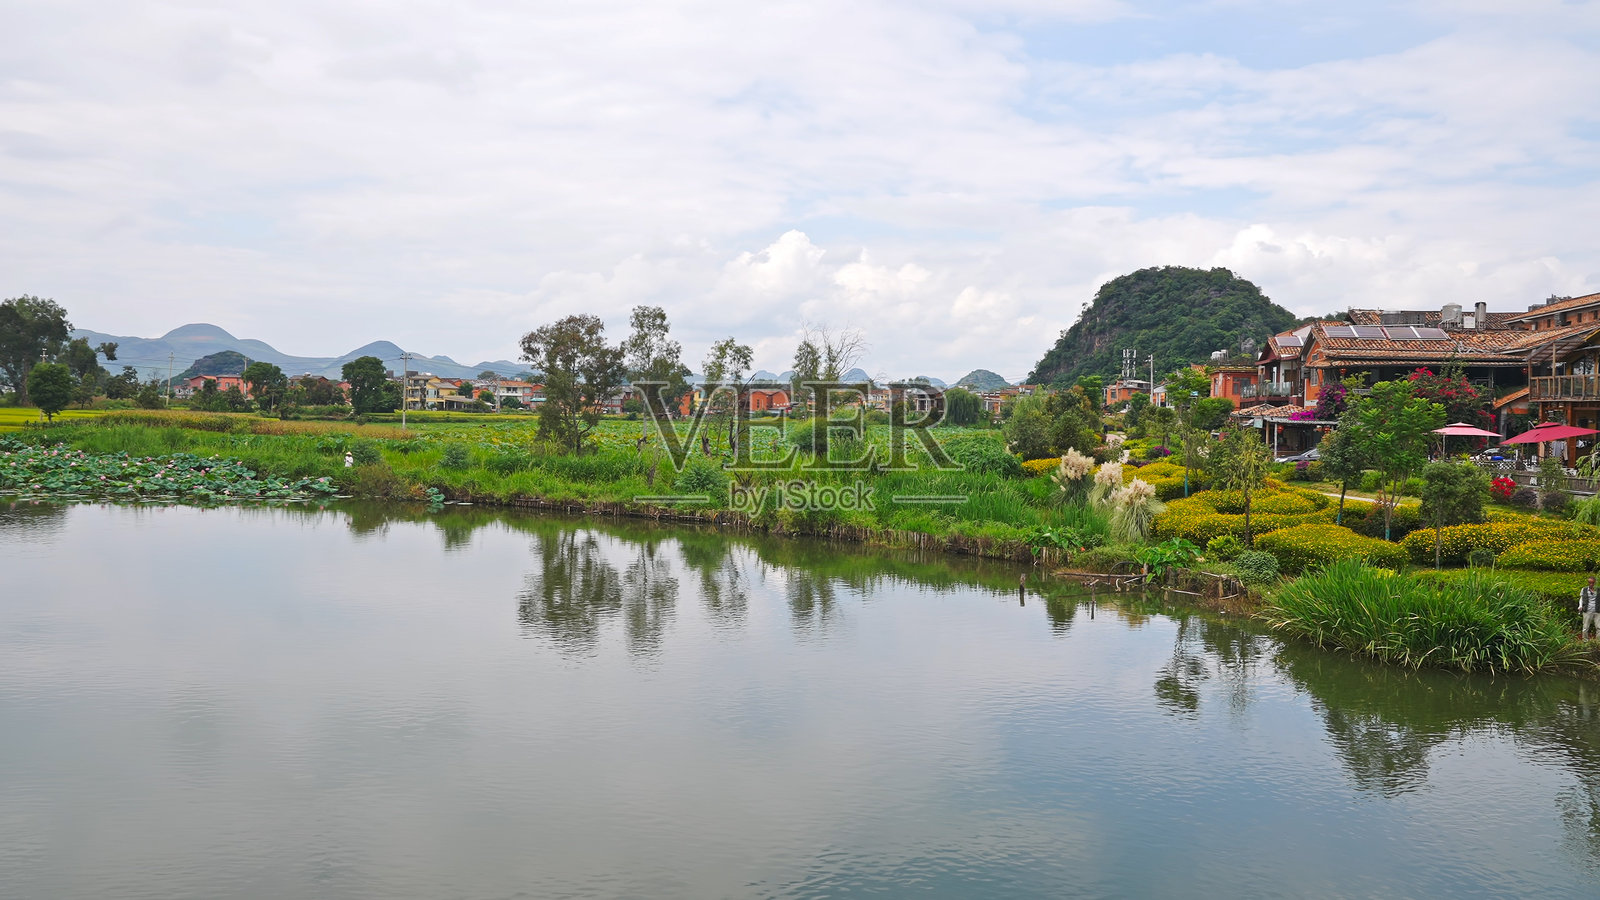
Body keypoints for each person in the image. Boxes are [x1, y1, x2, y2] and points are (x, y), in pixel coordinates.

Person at [1581, 576, 1599, 640]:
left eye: (1593, 583)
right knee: (1585, 627)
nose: (1591, 584)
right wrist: (1580, 606)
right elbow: (1581, 598)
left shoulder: (1598, 590)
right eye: (1590, 583)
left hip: (1597, 611)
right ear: (1588, 583)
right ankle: (1585, 641)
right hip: (1587, 610)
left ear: (1595, 583)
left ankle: (1598, 642)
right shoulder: (1584, 589)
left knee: (1599, 627)